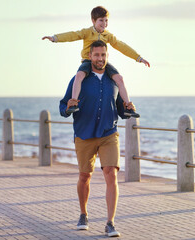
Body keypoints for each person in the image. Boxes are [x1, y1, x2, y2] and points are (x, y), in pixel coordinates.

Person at [59, 40, 133, 237]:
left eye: (103, 55)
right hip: (85, 134)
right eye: (97, 55)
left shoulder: (113, 80)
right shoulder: (79, 79)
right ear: (90, 56)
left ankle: (110, 222)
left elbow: (119, 107)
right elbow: (63, 104)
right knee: (85, 176)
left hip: (109, 133)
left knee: (111, 173)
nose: (100, 59)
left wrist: (126, 111)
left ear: (107, 56)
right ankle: (83, 214)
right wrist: (67, 109)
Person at [45, 5, 149, 117]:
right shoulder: (87, 32)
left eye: (106, 20)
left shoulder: (108, 35)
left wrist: (138, 58)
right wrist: (55, 38)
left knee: (119, 78)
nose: (104, 23)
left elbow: (121, 46)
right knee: (79, 76)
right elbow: (72, 35)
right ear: (93, 20)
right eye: (101, 20)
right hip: (87, 61)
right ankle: (74, 103)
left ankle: (128, 107)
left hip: (103, 63)